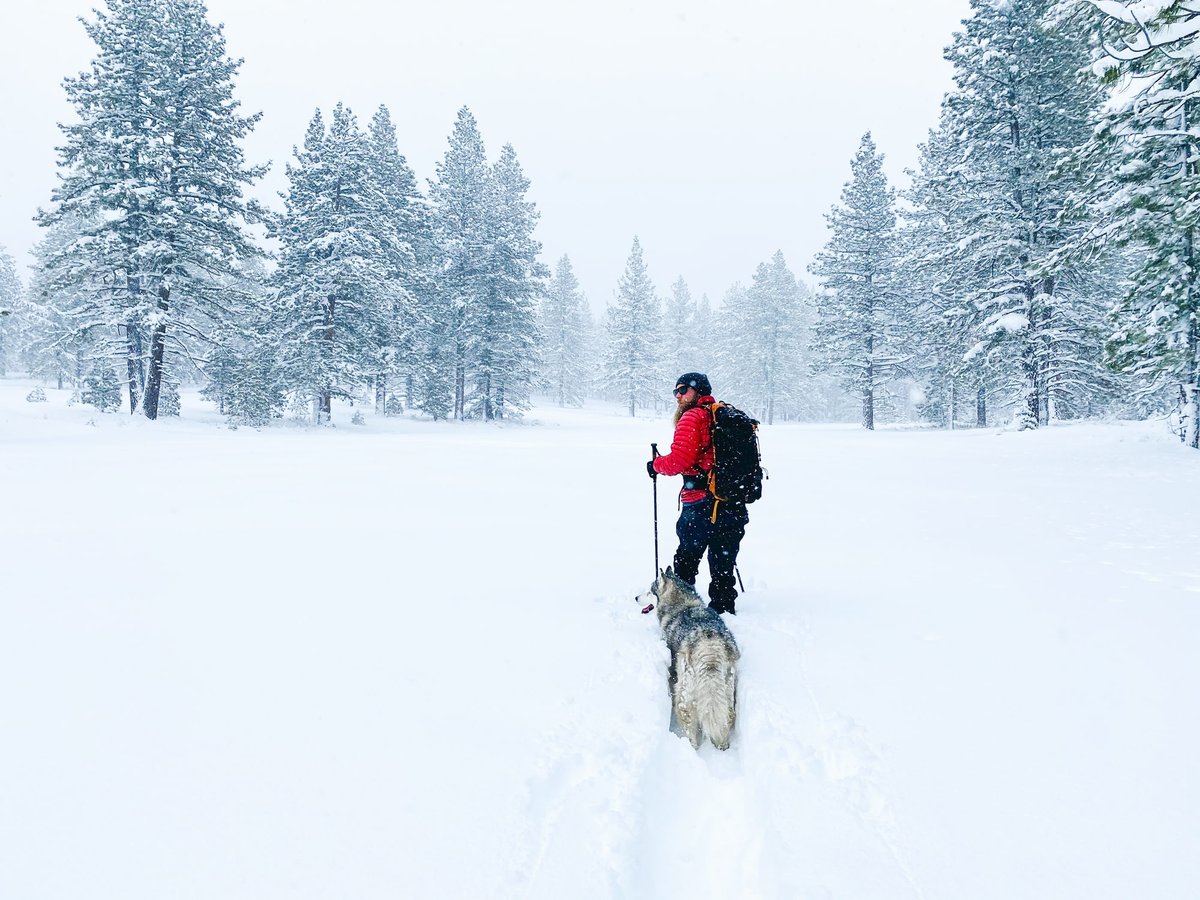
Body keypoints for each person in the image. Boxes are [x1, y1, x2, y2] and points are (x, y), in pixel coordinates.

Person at [646, 372, 749, 615]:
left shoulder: (693, 417)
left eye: (683, 390)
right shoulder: (723, 416)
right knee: (723, 557)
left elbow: (680, 460)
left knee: (688, 556)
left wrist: (655, 466)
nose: (678, 396)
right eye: (676, 392)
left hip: (701, 501)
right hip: (732, 500)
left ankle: (680, 606)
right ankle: (723, 607)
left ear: (698, 390)